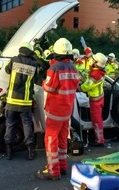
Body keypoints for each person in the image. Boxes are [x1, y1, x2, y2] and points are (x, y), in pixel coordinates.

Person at [37, 38, 80, 181]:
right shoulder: (73, 67)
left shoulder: (54, 68)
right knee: (62, 139)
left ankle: (53, 171)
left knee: (50, 139)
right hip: (67, 110)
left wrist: (44, 81)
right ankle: (62, 166)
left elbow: (48, 87)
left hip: (55, 110)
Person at [4, 42, 38, 160]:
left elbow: (7, 70)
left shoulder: (14, 60)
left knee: (10, 124)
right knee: (27, 124)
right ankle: (30, 151)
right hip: (25, 102)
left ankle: (8, 151)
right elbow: (37, 78)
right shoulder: (34, 63)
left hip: (12, 100)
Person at [79, 52, 107, 147]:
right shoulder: (98, 71)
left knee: (96, 120)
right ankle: (98, 137)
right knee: (97, 119)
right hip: (99, 97)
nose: (91, 60)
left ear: (96, 63)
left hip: (96, 100)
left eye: (93, 60)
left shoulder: (95, 74)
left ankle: (100, 140)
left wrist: (78, 87)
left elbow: (86, 87)